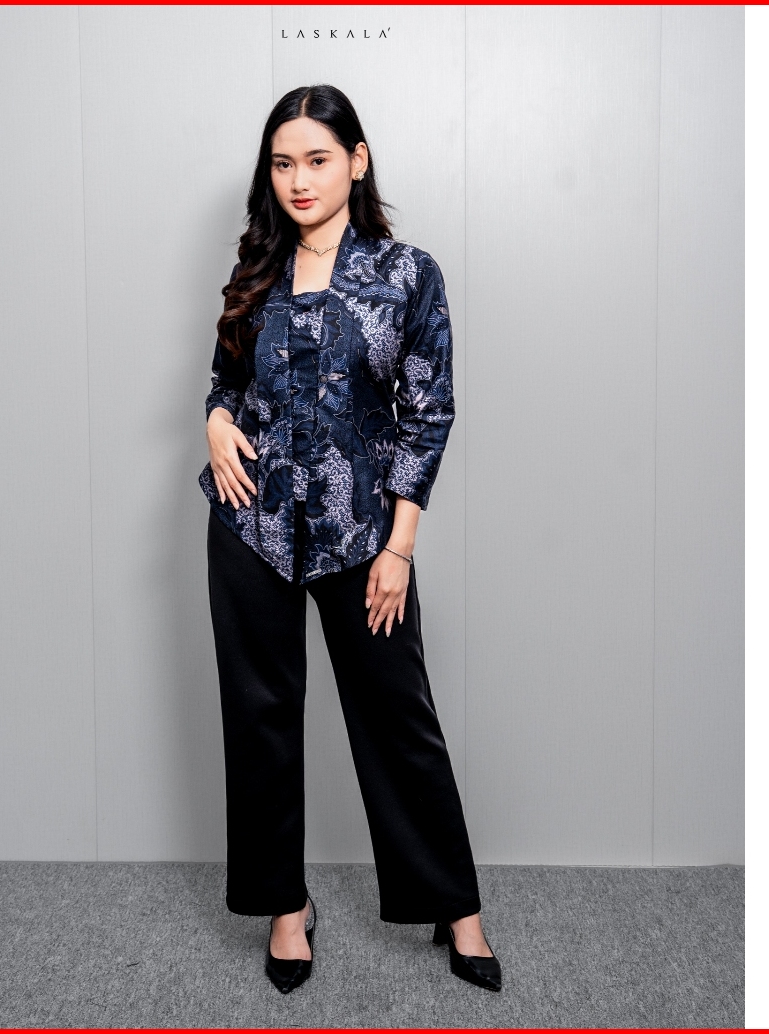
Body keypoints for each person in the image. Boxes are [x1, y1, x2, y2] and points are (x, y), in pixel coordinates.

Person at [198, 84, 501, 996]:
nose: (299, 180)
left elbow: (428, 414)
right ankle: (285, 909)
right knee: (259, 720)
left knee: (397, 718)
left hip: (363, 533)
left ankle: (456, 908)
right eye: (282, 163)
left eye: (317, 159)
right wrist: (215, 422)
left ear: (357, 161)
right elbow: (225, 381)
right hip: (250, 522)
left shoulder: (407, 274)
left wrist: (399, 547)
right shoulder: (257, 268)